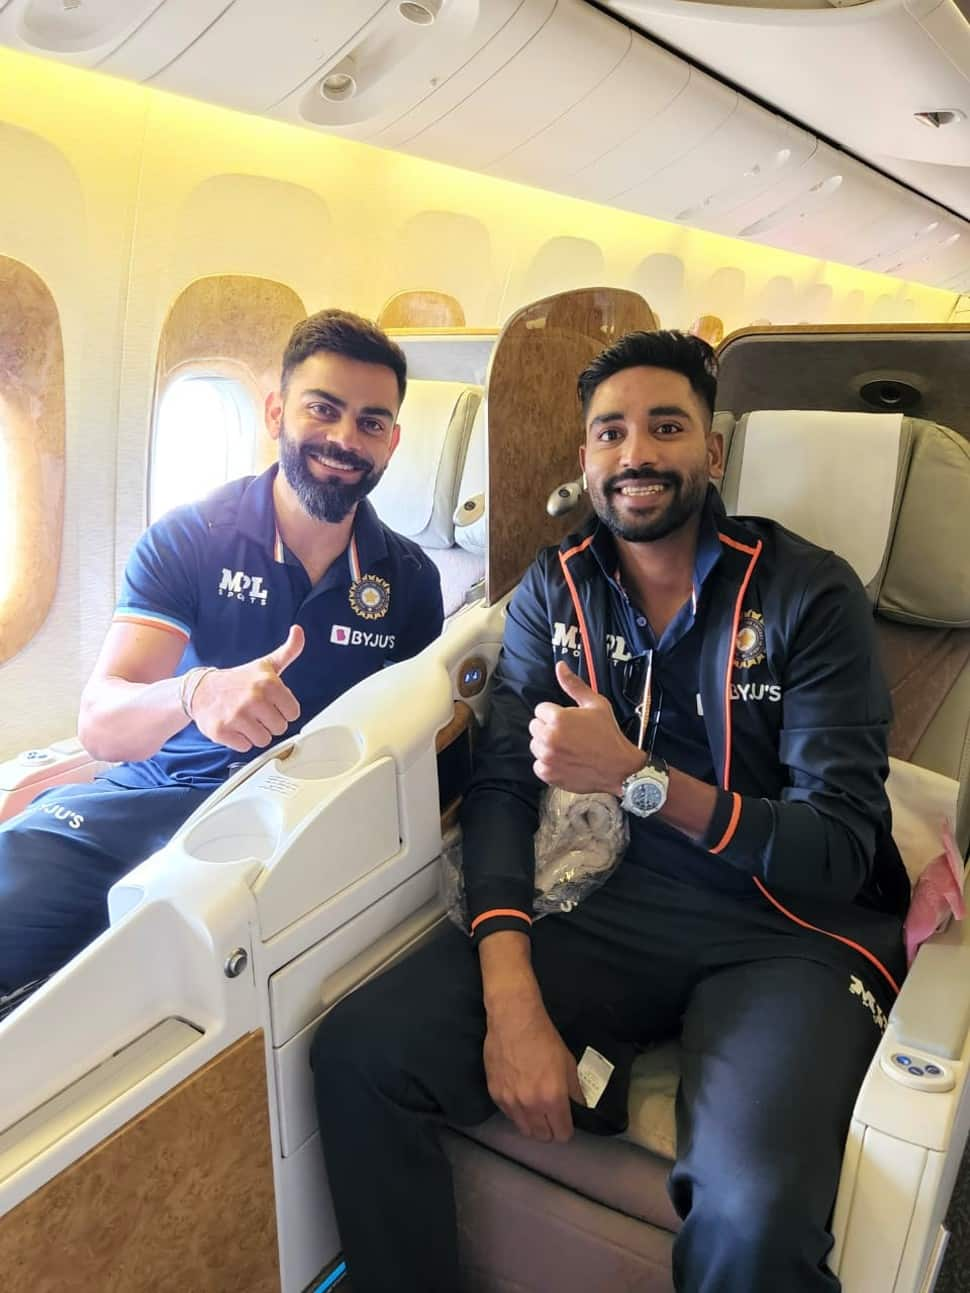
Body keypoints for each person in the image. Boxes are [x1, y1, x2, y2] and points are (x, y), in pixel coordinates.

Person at [310, 329, 910, 1292]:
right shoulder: (559, 587)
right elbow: (503, 785)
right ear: (587, 460)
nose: (635, 454)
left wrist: (643, 779)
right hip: (621, 903)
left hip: (791, 930)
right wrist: (511, 997)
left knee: (751, 1218)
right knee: (360, 1051)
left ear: (712, 454)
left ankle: (634, 1080)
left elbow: (841, 846)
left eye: (665, 428)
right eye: (610, 433)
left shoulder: (808, 591)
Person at [0, 309, 444, 1006]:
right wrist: (194, 693)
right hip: (156, 796)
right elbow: (101, 723)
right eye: (322, 409)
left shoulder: (411, 583)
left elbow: (419, 753)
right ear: (275, 410)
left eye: (370, 422)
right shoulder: (190, 540)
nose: (343, 439)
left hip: (294, 828)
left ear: (392, 443)